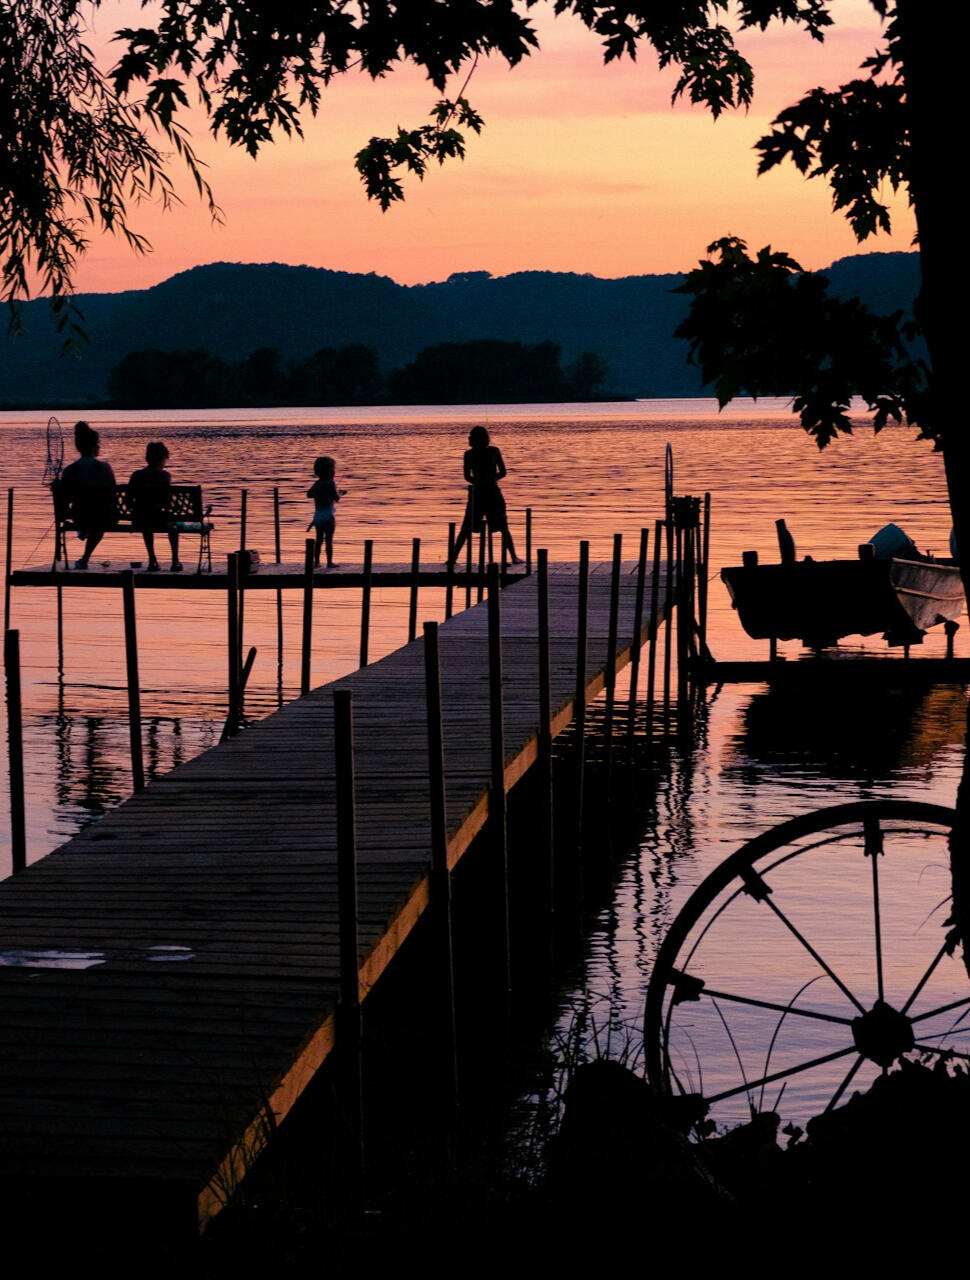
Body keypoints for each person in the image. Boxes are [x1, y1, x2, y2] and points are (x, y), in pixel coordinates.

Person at [451, 425, 520, 564]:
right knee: (469, 526)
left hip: (488, 493)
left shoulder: (488, 452)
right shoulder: (475, 453)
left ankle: (513, 556)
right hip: (482, 493)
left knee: (500, 525)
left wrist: (486, 480)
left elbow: (469, 476)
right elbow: (500, 473)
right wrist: (488, 480)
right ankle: (453, 557)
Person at [59, 421, 117, 568]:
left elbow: (64, 501)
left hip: (81, 516)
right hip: (103, 517)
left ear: (78, 447)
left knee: (88, 514)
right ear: (94, 447)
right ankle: (85, 558)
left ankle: (83, 532)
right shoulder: (105, 468)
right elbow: (112, 495)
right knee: (98, 521)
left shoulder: (70, 470)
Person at [128, 441, 182, 571]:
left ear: (147, 458)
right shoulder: (165, 476)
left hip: (140, 519)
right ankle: (175, 561)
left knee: (146, 524)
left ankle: (152, 560)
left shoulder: (136, 475)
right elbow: (166, 502)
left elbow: (128, 500)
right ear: (162, 459)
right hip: (158, 519)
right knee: (173, 526)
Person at [307, 456, 347, 569]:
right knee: (329, 540)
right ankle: (329, 563)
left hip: (318, 516)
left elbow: (309, 494)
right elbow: (336, 498)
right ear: (330, 471)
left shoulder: (316, 484)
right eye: (333, 469)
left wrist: (320, 494)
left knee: (319, 540)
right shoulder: (330, 483)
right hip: (328, 516)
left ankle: (316, 562)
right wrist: (341, 492)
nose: (334, 471)